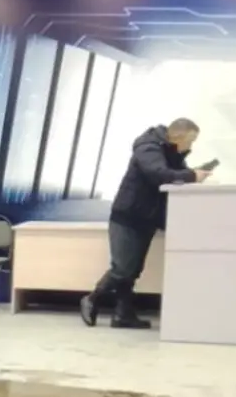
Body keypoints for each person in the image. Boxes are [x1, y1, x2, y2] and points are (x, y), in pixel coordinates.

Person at [81, 118, 212, 329]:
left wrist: (192, 173)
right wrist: (191, 175)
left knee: (133, 270)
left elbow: (174, 176)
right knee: (123, 269)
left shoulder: (171, 153)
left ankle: (123, 315)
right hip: (129, 215)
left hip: (147, 217)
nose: (191, 146)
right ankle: (92, 299)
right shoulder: (148, 147)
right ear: (178, 137)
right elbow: (158, 174)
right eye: (190, 141)